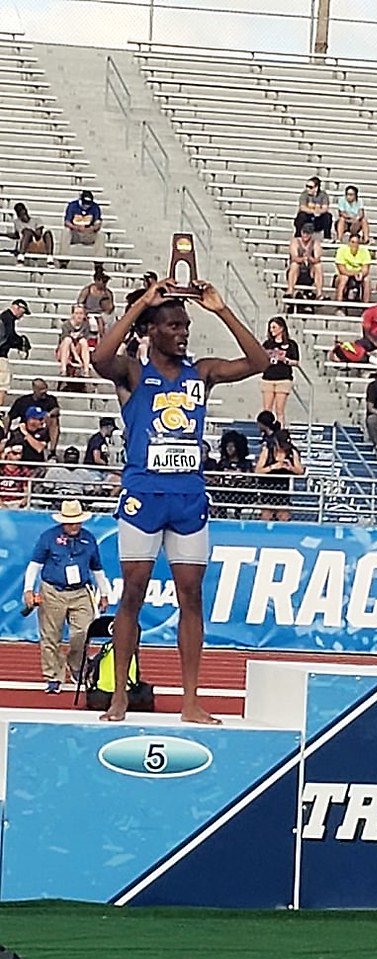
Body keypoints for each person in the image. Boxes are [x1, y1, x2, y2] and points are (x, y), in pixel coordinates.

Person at [91, 276, 269, 723]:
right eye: (173, 325)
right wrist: (142, 306)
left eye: (186, 325)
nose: (182, 332)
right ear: (153, 331)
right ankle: (118, 694)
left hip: (188, 497)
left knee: (192, 597)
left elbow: (259, 361)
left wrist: (221, 308)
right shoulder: (134, 372)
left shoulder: (201, 372)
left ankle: (190, 699)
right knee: (131, 594)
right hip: (143, 496)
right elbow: (99, 357)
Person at [22, 499, 110, 693]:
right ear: (63, 521)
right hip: (53, 591)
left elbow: (97, 568)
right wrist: (28, 589)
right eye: (70, 522)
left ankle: (76, 664)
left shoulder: (89, 539)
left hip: (81, 591)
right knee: (50, 637)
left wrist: (104, 593)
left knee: (83, 632)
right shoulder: (48, 537)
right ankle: (53, 676)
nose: (74, 526)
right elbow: (34, 564)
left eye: (77, 521)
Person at [255, 427, 304, 521]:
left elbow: (300, 471)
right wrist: (273, 467)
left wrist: (290, 468)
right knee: (266, 517)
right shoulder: (267, 451)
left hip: (283, 491)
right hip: (267, 490)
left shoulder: (292, 452)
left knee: (284, 517)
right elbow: (258, 470)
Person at [4, 378, 60, 457]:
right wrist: (5, 434)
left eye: (45, 389)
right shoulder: (23, 401)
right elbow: (10, 416)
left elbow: (56, 409)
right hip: (25, 427)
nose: (44, 393)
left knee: (54, 420)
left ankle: (52, 451)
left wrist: (49, 414)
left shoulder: (50, 400)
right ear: (34, 389)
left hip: (42, 429)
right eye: (41, 390)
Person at [261, 317, 300, 426]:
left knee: (280, 410)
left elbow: (296, 361)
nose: (271, 330)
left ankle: (280, 432)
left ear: (281, 328)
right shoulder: (267, 344)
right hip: (268, 378)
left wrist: (285, 360)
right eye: (270, 328)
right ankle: (266, 432)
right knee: (267, 410)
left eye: (274, 327)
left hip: (283, 378)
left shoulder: (291, 344)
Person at [59, 189, 106, 268]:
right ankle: (64, 260)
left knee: (101, 235)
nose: (86, 205)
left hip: (88, 233)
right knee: (65, 232)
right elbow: (67, 222)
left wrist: (91, 229)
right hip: (75, 233)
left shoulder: (95, 207)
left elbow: (98, 223)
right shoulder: (72, 205)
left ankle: (98, 263)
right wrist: (76, 227)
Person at [0, 298, 31, 408]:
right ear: (17, 307)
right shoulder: (7, 318)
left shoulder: (4, 318)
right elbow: (9, 337)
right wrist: (20, 342)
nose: (22, 315)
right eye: (22, 311)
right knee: (3, 385)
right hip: (1, 356)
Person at [287, 223, 324, 301]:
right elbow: (294, 257)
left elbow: (317, 259)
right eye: (304, 232)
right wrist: (303, 259)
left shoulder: (315, 243)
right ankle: (290, 290)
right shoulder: (295, 241)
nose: (305, 235)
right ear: (301, 232)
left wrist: (309, 258)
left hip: (310, 270)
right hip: (297, 270)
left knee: (318, 266)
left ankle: (319, 293)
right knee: (294, 265)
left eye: (308, 233)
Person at [12, 202, 54, 267]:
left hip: (39, 243)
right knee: (26, 232)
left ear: (25, 210)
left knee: (48, 233)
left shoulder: (37, 220)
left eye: (22, 210)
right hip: (27, 245)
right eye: (19, 211)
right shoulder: (17, 222)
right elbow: (16, 235)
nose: (22, 213)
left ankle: (50, 259)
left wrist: (30, 231)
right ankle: (21, 257)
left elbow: (38, 234)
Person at [335, 233, 371, 305]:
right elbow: (342, 269)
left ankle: (365, 305)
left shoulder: (365, 251)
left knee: (367, 279)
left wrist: (361, 274)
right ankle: (339, 305)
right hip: (344, 274)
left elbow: (365, 268)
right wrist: (355, 273)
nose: (355, 245)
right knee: (344, 278)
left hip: (359, 275)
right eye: (353, 242)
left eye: (357, 243)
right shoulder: (341, 251)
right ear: (349, 243)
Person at [56, 305, 91, 378]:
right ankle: (63, 369)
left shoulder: (86, 325)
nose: (79, 316)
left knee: (83, 341)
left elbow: (84, 338)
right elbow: (67, 340)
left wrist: (77, 355)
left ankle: (86, 370)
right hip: (65, 350)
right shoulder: (66, 325)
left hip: (78, 349)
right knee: (67, 340)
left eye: (81, 313)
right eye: (76, 313)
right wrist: (76, 357)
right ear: (72, 315)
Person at [0, 442, 32, 508]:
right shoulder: (1, 469)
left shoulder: (24, 470)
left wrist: (24, 501)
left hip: (18, 502)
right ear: (7, 454)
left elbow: (27, 489)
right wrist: (2, 504)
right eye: (15, 454)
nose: (18, 457)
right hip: (2, 502)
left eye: (20, 454)